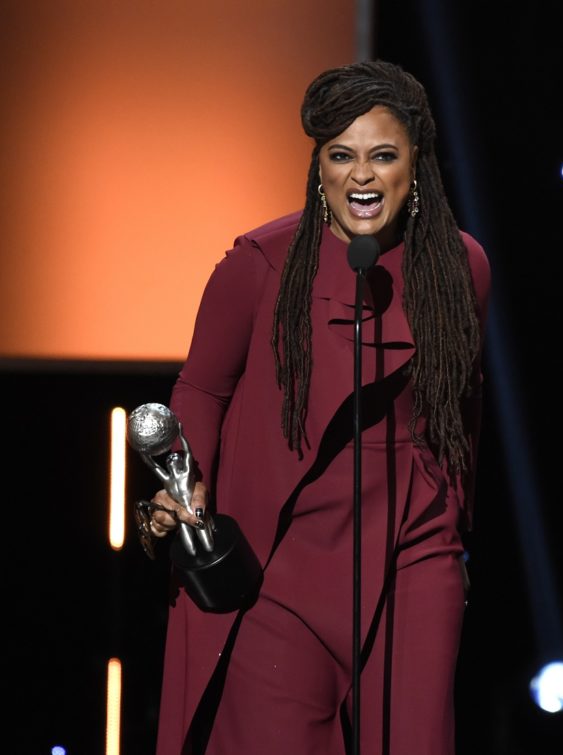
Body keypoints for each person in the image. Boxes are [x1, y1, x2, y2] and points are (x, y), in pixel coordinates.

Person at [139, 60, 490, 754]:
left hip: (411, 557)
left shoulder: (460, 268)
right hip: (283, 561)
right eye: (341, 156)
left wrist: (454, 536)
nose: (362, 177)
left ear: (415, 164)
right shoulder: (260, 264)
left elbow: (461, 411)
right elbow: (202, 389)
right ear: (319, 167)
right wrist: (186, 487)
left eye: (383, 156)